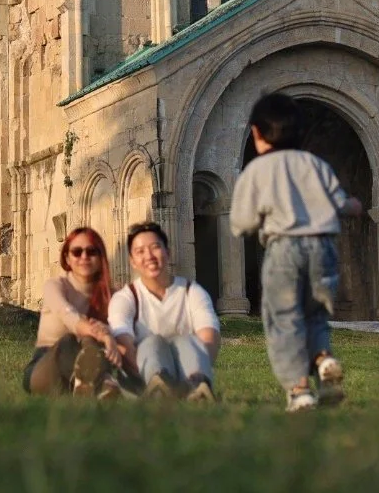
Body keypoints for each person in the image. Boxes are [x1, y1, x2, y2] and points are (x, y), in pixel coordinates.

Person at [230, 92, 363, 412]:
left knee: (285, 320)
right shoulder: (315, 164)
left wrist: (257, 219)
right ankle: (322, 359)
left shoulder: (257, 171)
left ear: (257, 133)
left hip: (284, 250)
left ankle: (300, 391)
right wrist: (350, 206)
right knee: (315, 315)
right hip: (323, 249)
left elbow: (241, 221)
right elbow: (342, 203)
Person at [109, 221, 221, 401]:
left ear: (168, 253)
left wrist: (194, 369)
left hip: (186, 373)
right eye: (140, 251)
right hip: (142, 376)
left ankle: (198, 388)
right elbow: (123, 343)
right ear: (132, 261)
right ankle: (158, 388)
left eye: (155, 248)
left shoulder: (191, 291)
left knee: (186, 342)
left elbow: (209, 336)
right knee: (152, 342)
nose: (149, 256)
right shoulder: (126, 297)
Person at [24, 227, 125, 398]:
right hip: (47, 362)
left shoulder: (112, 295)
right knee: (70, 339)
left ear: (101, 257)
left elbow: (125, 331)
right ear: (67, 258)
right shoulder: (55, 286)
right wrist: (105, 336)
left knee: (89, 339)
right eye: (77, 252)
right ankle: (101, 383)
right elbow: (70, 318)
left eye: (91, 251)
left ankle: (88, 385)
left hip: (94, 358)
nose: (84, 257)